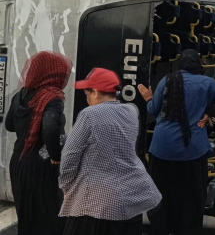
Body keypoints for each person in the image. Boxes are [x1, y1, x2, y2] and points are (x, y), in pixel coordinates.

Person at [137, 49, 215, 235]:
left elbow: (153, 110)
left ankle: (161, 228)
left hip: (162, 147)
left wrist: (148, 98)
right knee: (191, 195)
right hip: (193, 149)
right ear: (198, 66)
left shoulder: (167, 80)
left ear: (180, 64)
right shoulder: (207, 82)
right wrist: (210, 112)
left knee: (161, 192)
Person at [59, 68, 161, 235]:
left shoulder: (89, 114)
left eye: (87, 95)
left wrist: (67, 186)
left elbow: (70, 156)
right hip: (133, 196)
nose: (87, 100)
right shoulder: (131, 110)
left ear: (96, 92)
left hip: (98, 203)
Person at [5, 51, 72, 235]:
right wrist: (56, 157)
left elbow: (10, 124)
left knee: (27, 215)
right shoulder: (53, 97)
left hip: (18, 162)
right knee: (48, 215)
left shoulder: (21, 95)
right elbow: (50, 128)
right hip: (40, 165)